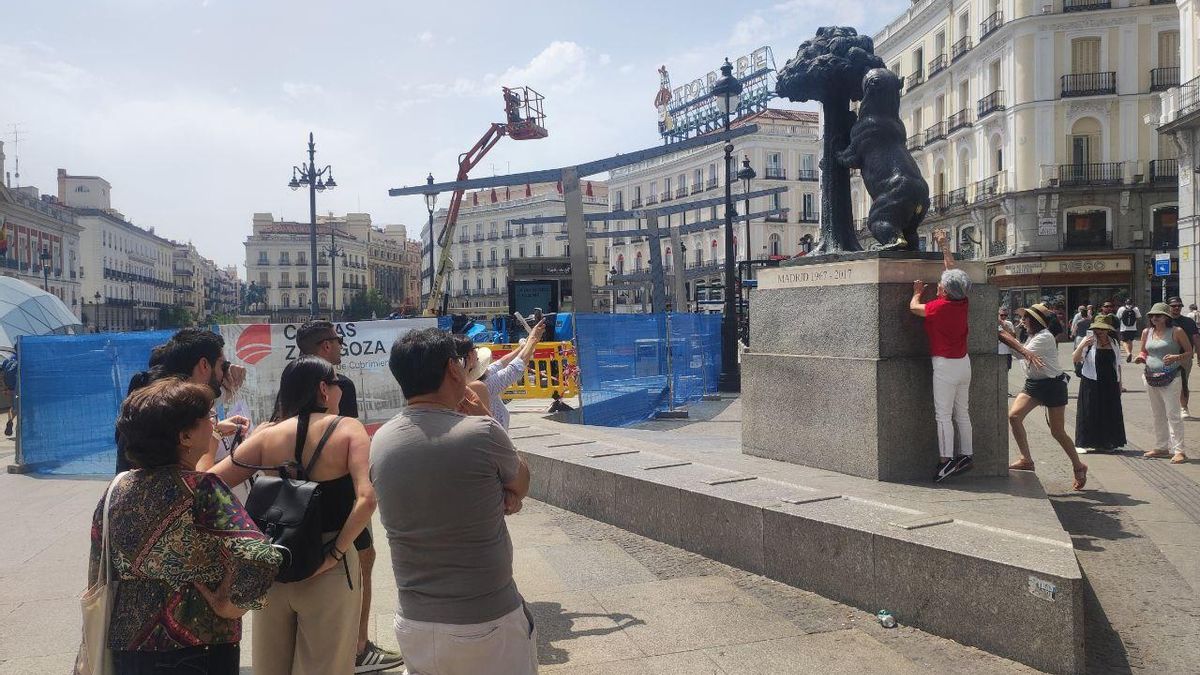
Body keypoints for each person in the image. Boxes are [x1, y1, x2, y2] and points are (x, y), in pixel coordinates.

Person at [84, 378, 282, 674]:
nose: (213, 423)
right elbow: (260, 555)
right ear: (184, 437)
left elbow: (98, 565)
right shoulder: (202, 488)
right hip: (199, 644)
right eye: (208, 417)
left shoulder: (117, 488)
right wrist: (232, 604)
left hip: (129, 644)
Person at [372, 327, 536, 675]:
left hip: (414, 621)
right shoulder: (481, 432)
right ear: (452, 369)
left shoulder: (381, 440)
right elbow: (520, 483)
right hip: (486, 618)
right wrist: (484, 419)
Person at [211, 356, 377, 675]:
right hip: (328, 562)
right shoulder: (348, 429)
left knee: (270, 666)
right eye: (337, 384)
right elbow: (366, 500)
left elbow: (209, 487)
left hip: (273, 564)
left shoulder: (266, 434)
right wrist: (337, 552)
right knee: (325, 666)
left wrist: (243, 541)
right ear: (323, 390)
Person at [295, 321, 402, 673]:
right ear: (325, 346)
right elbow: (348, 440)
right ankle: (357, 648)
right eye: (337, 342)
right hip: (340, 493)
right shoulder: (340, 386)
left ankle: (321, 646)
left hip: (298, 498)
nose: (341, 346)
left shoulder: (291, 380)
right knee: (362, 560)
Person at [116, 328, 248, 474]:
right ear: (204, 365)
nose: (224, 373)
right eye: (222, 365)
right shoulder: (174, 414)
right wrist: (257, 447)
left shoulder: (166, 403)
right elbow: (196, 483)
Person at [1000, 303, 1089, 490]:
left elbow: (1021, 351)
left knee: (1057, 432)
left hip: (1052, 385)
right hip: (1034, 384)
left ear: (1035, 320)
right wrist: (1008, 334)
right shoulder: (1033, 336)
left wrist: (1002, 331)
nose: (1022, 321)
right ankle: (1026, 459)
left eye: (1026, 318)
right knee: (1014, 416)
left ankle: (1078, 466)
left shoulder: (1045, 337)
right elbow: (1020, 351)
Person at [909, 229, 974, 482]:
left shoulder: (937, 307)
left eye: (939, 286)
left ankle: (946, 461)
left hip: (945, 366)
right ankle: (966, 454)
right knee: (963, 413)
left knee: (943, 415)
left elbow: (914, 308)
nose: (938, 285)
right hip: (964, 363)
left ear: (944, 291)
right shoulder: (962, 301)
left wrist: (916, 291)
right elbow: (952, 271)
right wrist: (944, 245)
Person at [1134, 303, 1192, 464]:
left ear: (1166, 317)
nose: (1154, 318)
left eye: (1158, 316)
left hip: (1172, 377)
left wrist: (1176, 357)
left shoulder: (1176, 332)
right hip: (1150, 377)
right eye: (1152, 316)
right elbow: (1144, 351)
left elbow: (1189, 352)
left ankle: (1179, 450)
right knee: (1157, 414)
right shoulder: (1147, 332)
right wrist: (1141, 357)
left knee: (1173, 414)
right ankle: (1161, 447)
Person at [476, 320, 546, 430]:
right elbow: (514, 369)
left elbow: (502, 362)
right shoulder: (485, 385)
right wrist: (533, 340)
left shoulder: (481, 377)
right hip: (494, 440)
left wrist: (523, 347)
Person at [1072, 315, 1126, 454]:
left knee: (1108, 410)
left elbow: (1118, 364)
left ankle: (1106, 442)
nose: (1099, 331)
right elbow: (1075, 358)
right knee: (1088, 410)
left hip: (1110, 381)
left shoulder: (1114, 342)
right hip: (1091, 380)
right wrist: (1083, 344)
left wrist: (1120, 383)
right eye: (1096, 328)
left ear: (1108, 330)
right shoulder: (1089, 341)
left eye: (1102, 329)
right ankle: (1081, 442)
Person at [1166, 296, 1200, 419]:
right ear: (1168, 307)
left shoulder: (1188, 321)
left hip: (1184, 357)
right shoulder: (1164, 321)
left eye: (1179, 306)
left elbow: (1196, 338)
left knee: (1183, 383)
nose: (1177, 308)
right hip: (1167, 358)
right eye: (1174, 306)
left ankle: (1184, 407)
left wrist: (1199, 356)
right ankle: (1169, 408)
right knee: (1167, 384)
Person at [1117, 298, 1142, 362]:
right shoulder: (1135, 309)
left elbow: (1118, 317)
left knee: (1124, 341)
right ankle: (1129, 353)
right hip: (1133, 328)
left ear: (1125, 303)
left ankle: (1128, 353)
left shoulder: (1121, 309)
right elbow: (1139, 317)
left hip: (1124, 328)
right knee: (1130, 341)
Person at [2, 348, 17, 437]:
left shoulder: (7, 360)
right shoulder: (23, 360)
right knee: (25, 407)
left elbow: (3, 375)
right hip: (19, 389)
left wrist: (5, 388)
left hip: (10, 388)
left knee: (13, 406)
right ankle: (30, 428)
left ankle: (10, 420)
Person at [998, 308, 1016, 374]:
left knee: (1005, 373)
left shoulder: (1009, 323)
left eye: (1006, 315)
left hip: (1007, 352)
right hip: (997, 352)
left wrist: (1005, 326)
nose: (1004, 317)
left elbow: (1013, 337)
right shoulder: (994, 323)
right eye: (1001, 315)